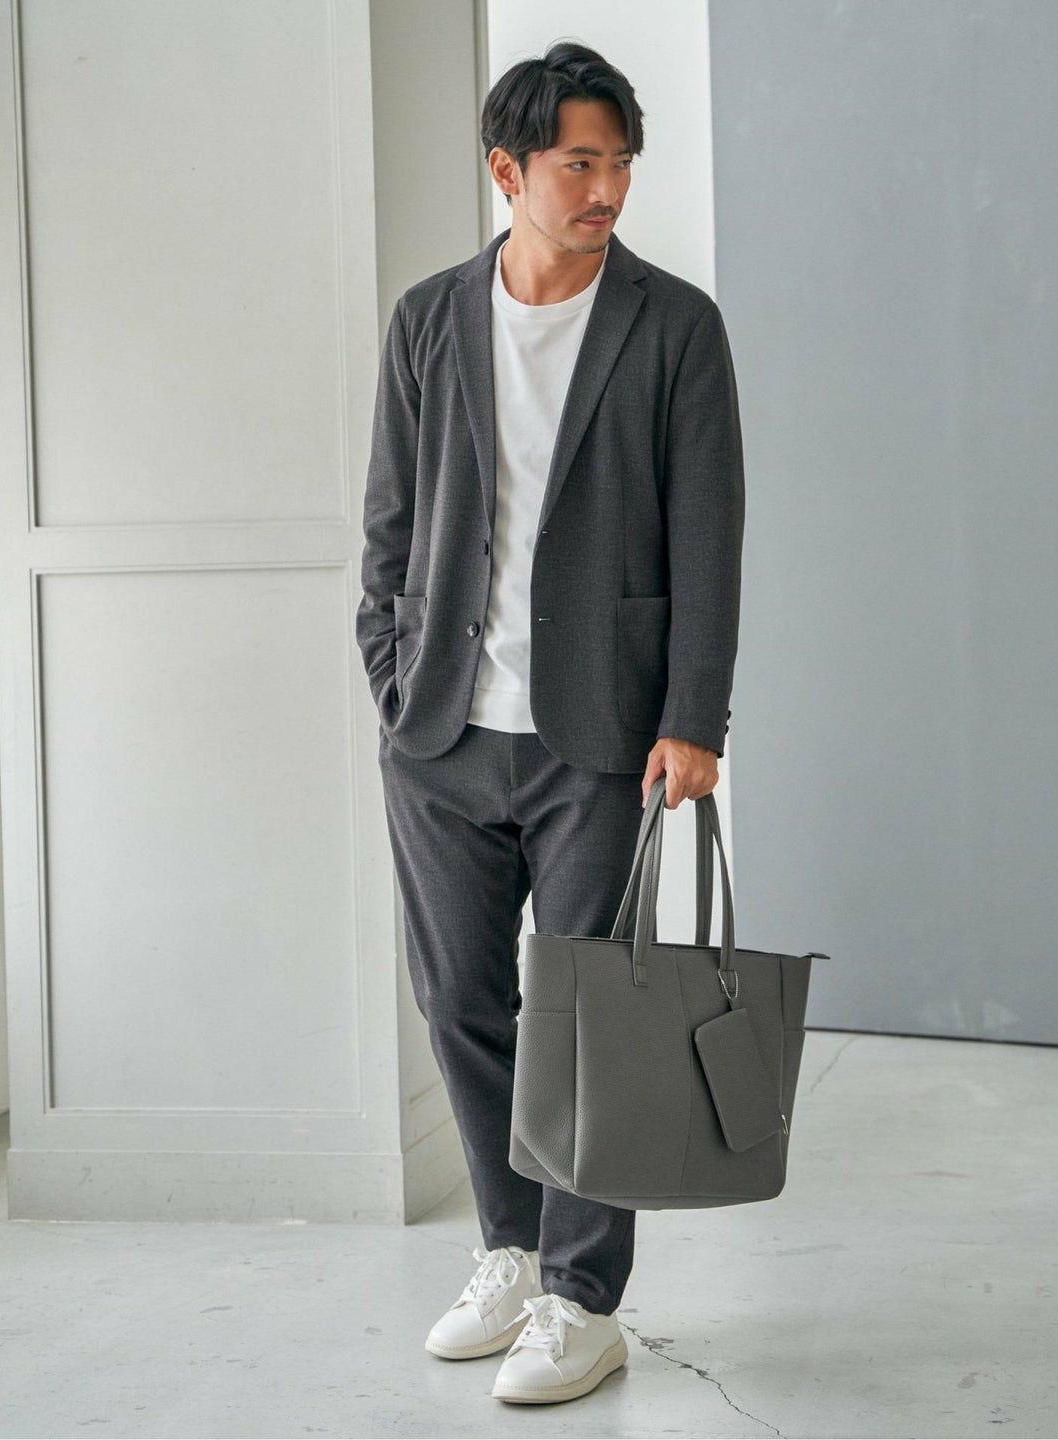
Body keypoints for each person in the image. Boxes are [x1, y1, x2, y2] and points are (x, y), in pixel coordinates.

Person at [355, 40, 744, 1405]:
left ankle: (584, 1297)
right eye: (580, 163)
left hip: (605, 735)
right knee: (462, 1001)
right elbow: (391, 519)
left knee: (592, 1023)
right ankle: (513, 1251)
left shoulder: (673, 325)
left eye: (621, 163)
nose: (607, 189)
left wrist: (693, 717)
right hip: (442, 731)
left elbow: (710, 534)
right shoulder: (429, 319)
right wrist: (392, 675)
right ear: (508, 170)